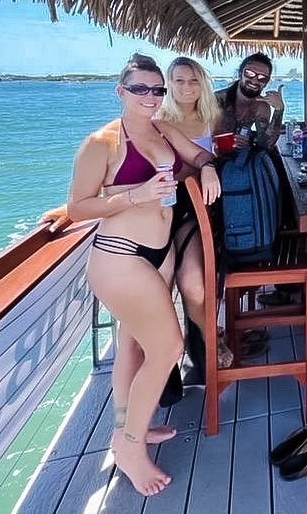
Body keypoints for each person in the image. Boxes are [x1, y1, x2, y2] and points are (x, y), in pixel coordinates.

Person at [67, 54, 220, 497]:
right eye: (140, 89)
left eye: (157, 90)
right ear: (121, 92)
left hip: (161, 251)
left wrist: (207, 168)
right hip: (120, 257)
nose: (150, 97)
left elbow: (199, 153)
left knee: (132, 345)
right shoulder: (102, 143)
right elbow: (78, 207)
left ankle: (130, 424)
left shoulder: (162, 130)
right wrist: (136, 195)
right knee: (170, 346)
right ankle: (128, 447)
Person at [157, 56, 225, 383]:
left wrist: (212, 163)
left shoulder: (212, 117)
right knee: (160, 288)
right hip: (160, 211)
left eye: (193, 80)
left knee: (193, 286)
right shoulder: (158, 120)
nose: (186, 87)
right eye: (179, 80)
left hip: (196, 209)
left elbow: (213, 155)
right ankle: (168, 367)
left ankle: (209, 339)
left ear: (203, 84)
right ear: (168, 84)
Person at [215, 53, 285, 148]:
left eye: (262, 78)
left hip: (241, 158)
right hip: (210, 158)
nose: (255, 81)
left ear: (266, 83)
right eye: (249, 74)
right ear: (240, 73)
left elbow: (266, 144)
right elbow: (199, 138)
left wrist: (279, 109)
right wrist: (228, 143)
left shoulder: (261, 106)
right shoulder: (217, 100)